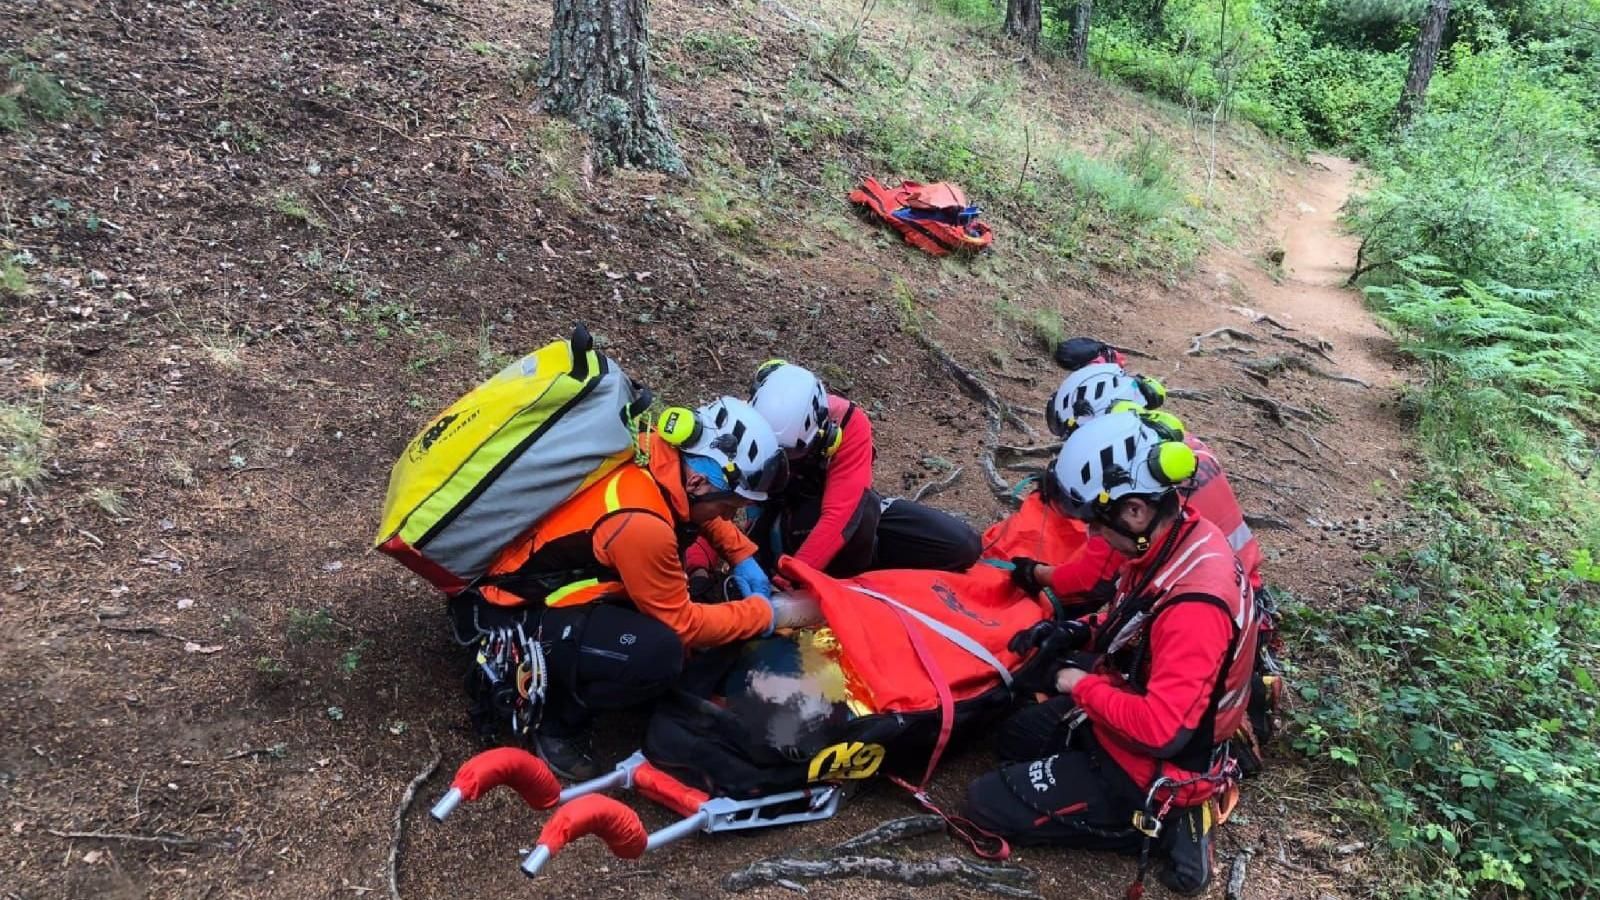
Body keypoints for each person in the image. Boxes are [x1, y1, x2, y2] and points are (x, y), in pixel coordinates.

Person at [963, 412, 1260, 895]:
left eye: (1098, 526)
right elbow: (1137, 619)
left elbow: (1163, 730)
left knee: (985, 804)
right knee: (1016, 738)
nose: (1094, 538)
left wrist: (1080, 685)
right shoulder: (1176, 540)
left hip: (1161, 758)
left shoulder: (1195, 605)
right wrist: (1075, 631)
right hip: (1139, 703)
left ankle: (1166, 821)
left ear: (1136, 511)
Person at [471, 396, 819, 779]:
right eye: (727, 507)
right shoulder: (642, 523)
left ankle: (591, 659)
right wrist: (767, 614)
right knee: (660, 654)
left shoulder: (654, 453)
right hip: (513, 610)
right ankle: (558, 722)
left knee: (674, 619)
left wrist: (740, 554)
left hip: (527, 574)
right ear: (699, 480)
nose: (729, 516)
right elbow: (682, 623)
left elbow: (696, 509)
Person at [1007, 360, 1264, 614]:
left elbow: (1088, 579)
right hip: (1243, 589)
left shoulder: (1136, 494)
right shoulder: (1172, 449)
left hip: (1208, 606)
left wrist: (1034, 573)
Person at [741, 360, 981, 577]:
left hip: (841, 513)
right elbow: (717, 503)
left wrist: (796, 573)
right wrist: (702, 569)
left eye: (794, 452)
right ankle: (845, 573)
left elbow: (841, 512)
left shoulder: (847, 422)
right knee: (862, 517)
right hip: (777, 522)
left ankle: (865, 567)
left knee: (962, 545)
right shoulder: (740, 428)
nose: (787, 460)